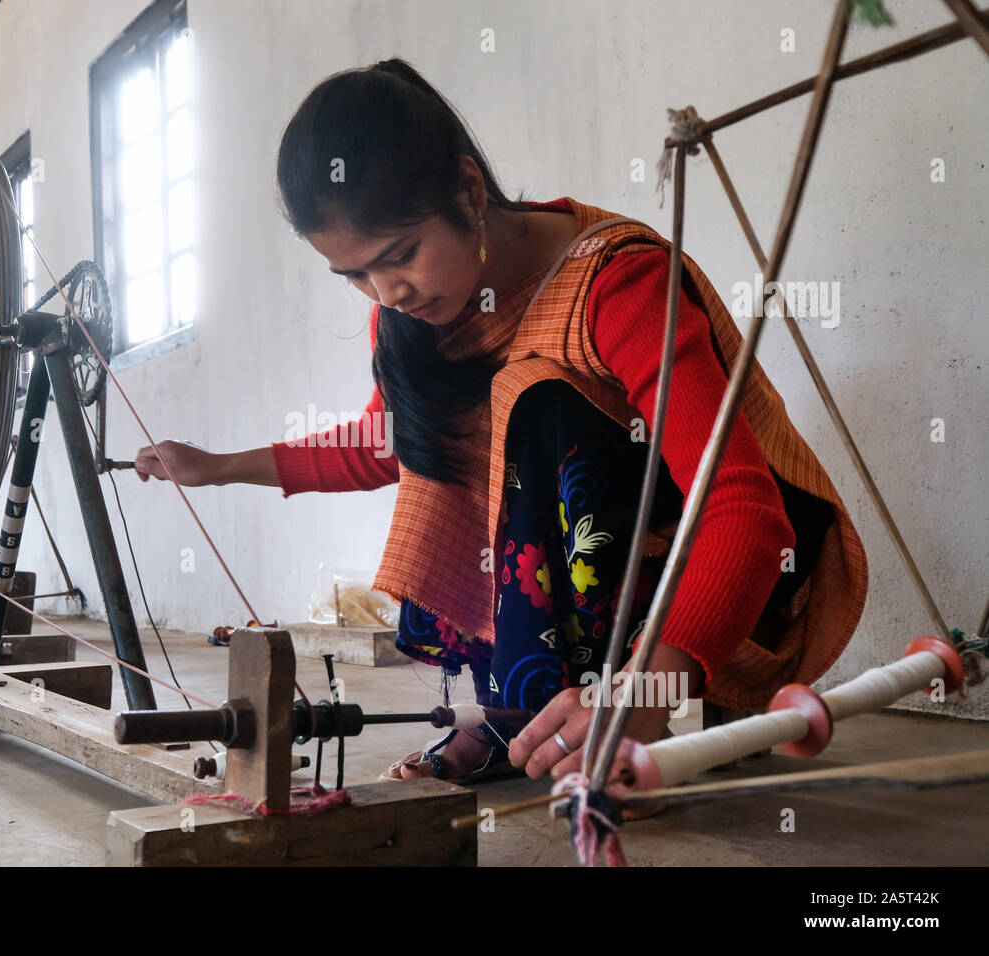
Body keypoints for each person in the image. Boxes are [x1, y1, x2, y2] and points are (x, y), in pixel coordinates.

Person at [135, 59, 867, 788]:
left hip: (713, 569)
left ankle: (596, 711)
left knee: (535, 397)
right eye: (356, 275)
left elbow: (741, 509)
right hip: (585, 584)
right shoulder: (408, 318)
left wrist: (649, 686)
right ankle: (517, 715)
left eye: (400, 256)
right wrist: (220, 464)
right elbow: (387, 445)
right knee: (451, 423)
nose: (386, 292)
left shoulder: (617, 282)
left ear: (469, 190)